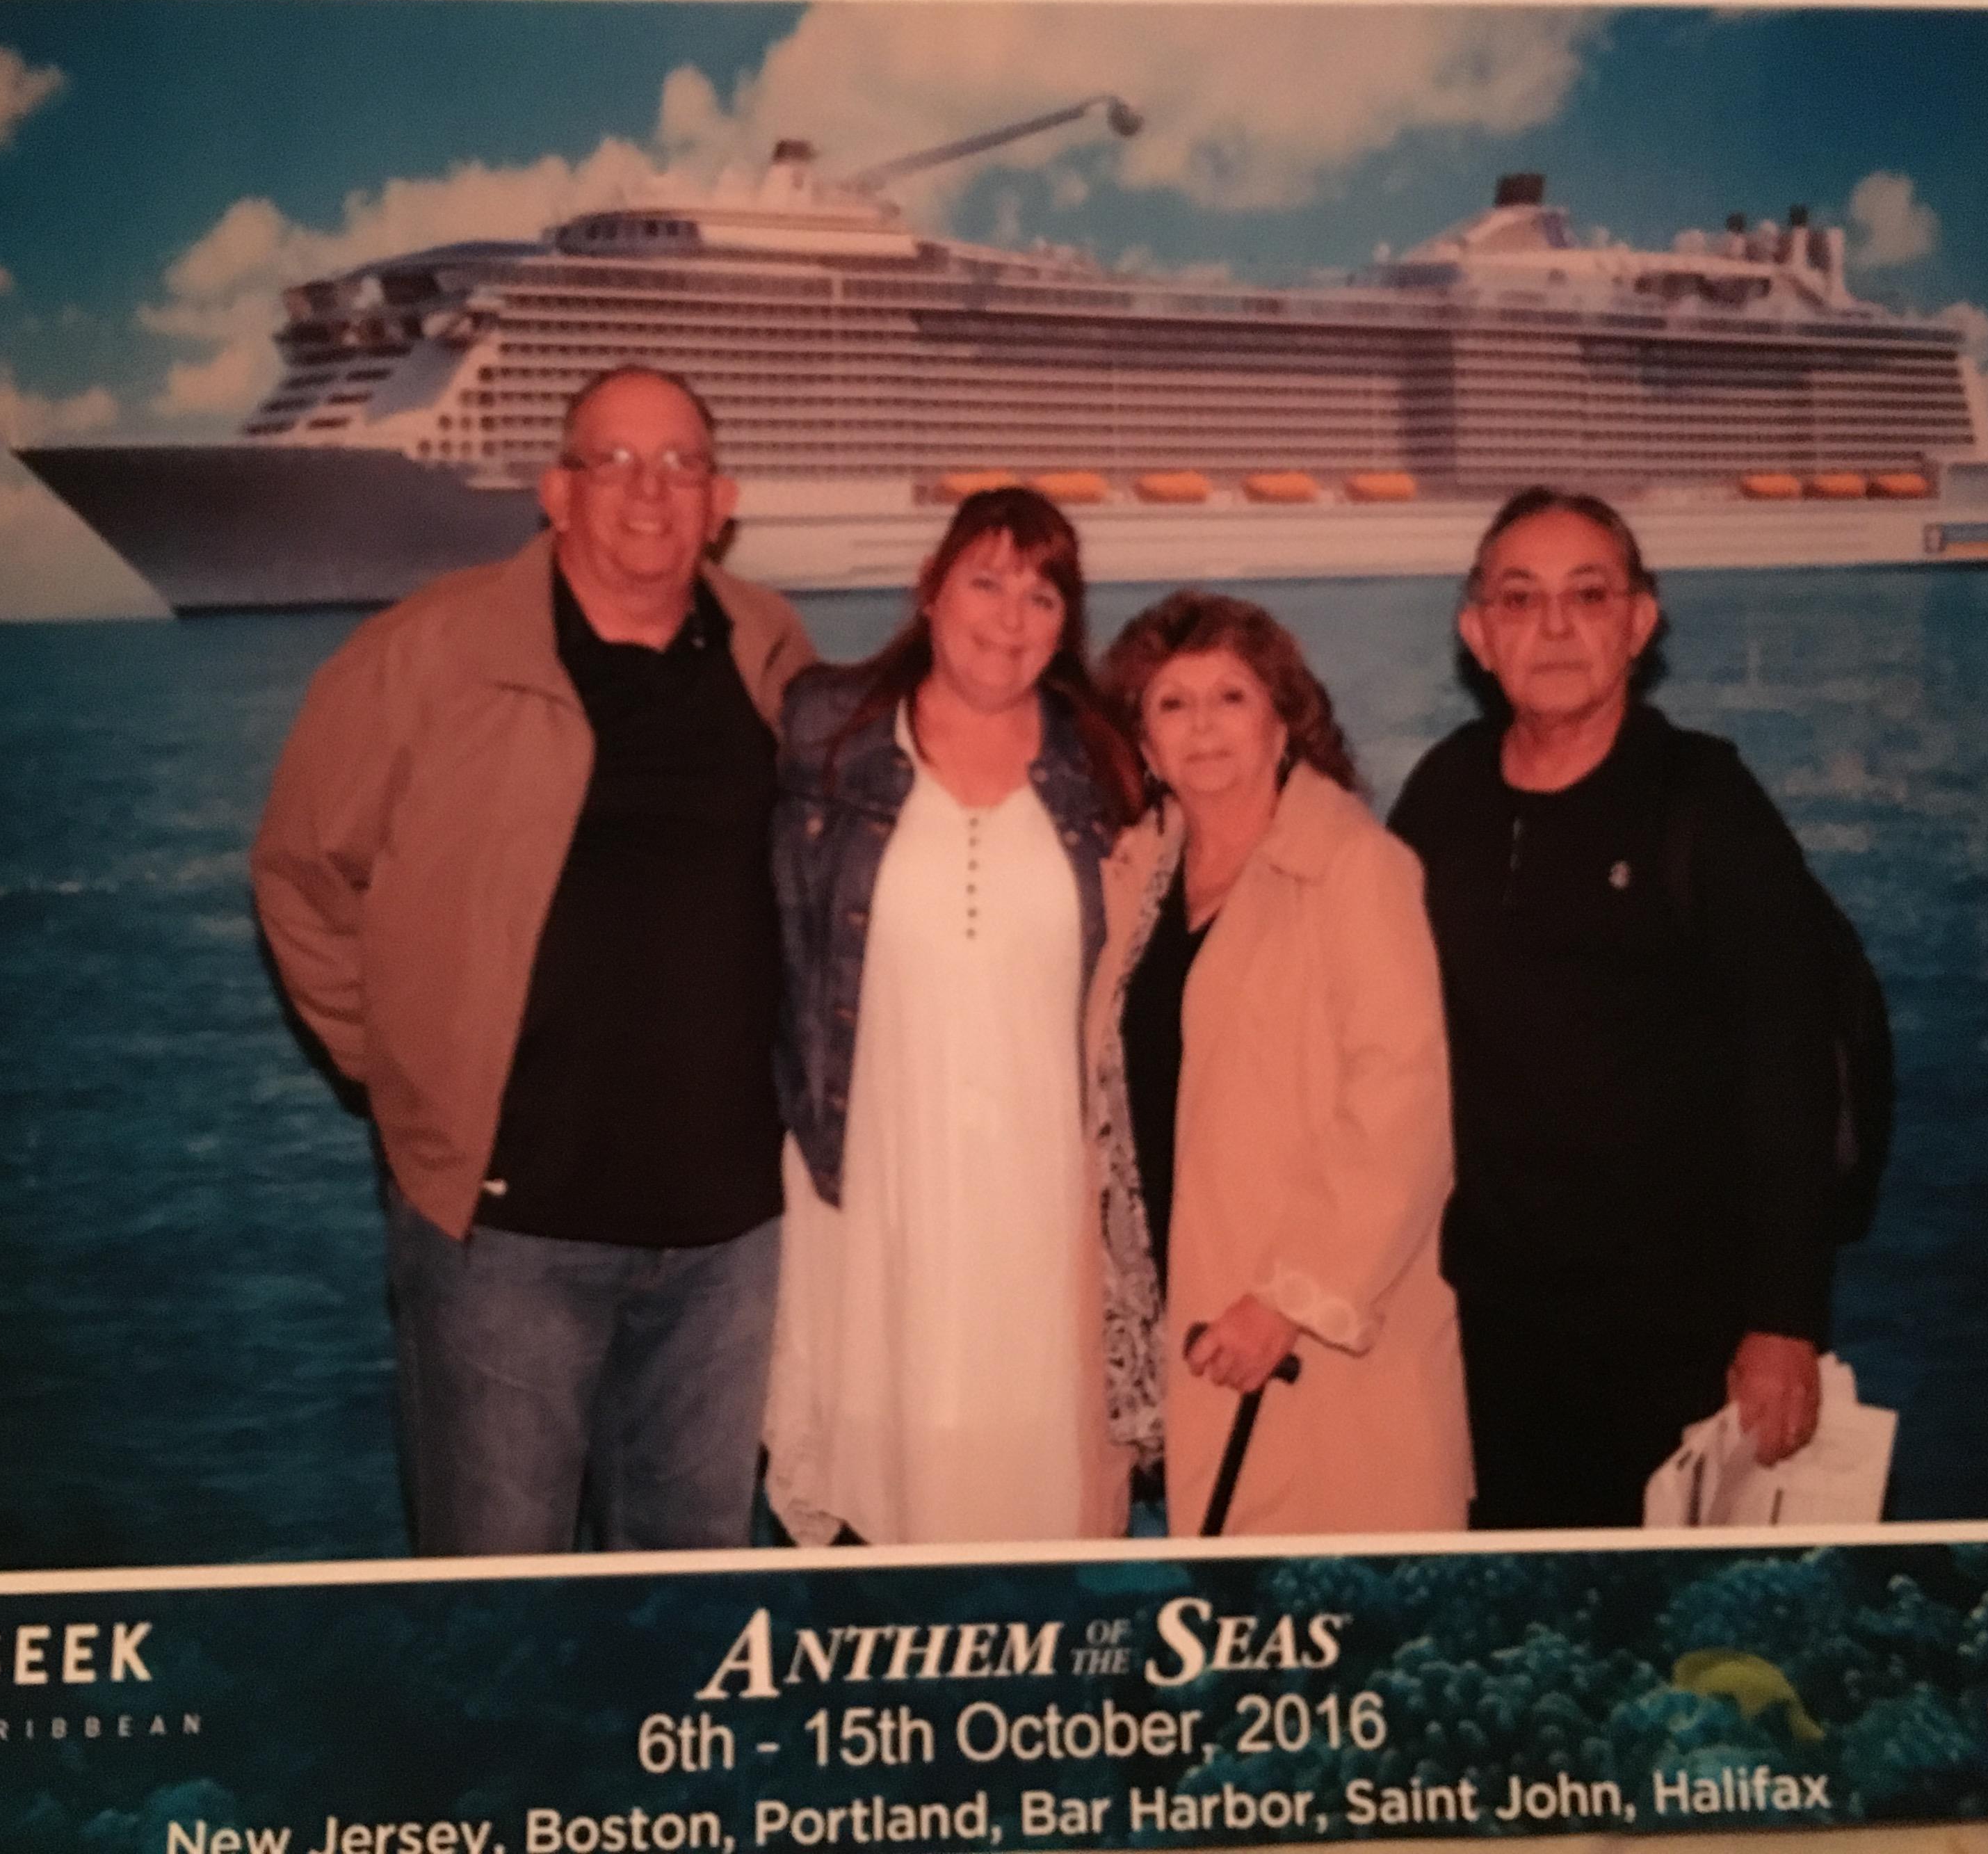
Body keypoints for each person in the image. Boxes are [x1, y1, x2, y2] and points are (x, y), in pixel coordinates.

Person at [251, 363, 816, 1556]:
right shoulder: (428, 651)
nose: (648, 492)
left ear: (724, 500)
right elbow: (303, 874)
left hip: (732, 1239)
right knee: (497, 1604)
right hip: (509, 1234)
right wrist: (415, 1076)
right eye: (612, 461)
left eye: (680, 464)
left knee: (686, 1603)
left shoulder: (770, 646)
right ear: (557, 490)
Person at [1386, 486, 1839, 1532]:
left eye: (1587, 595)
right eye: (1520, 598)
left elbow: (1792, 1068)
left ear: (1639, 622)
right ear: (1477, 632)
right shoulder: (1444, 792)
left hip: (1674, 1333)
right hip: (1478, 1324)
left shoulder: (1706, 803)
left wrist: (1783, 1320)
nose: (1553, 626)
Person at [766, 488, 1145, 1546]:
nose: (1010, 617)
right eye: (986, 581)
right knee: (888, 1493)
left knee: (1033, 1498)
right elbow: (767, 941)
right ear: (930, 591)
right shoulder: (823, 730)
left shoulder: (1105, 761)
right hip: (875, 1181)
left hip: (1045, 1204)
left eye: (1042, 595)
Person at [1083, 592, 1469, 1538]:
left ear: (1284, 721)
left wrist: (1290, 1300)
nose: (1204, 726)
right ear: (1143, 740)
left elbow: (1403, 1110)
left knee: (1341, 1645)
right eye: (1173, 704)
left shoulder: (1354, 869)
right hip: (1190, 1315)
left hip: (1318, 1347)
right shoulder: (1136, 880)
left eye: (1232, 697)